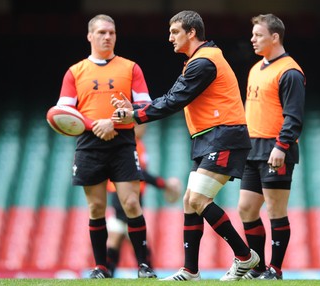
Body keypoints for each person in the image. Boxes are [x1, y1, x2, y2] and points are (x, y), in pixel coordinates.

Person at [111, 10, 259, 281]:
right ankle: (190, 270)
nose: (170, 38)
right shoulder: (199, 60)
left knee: (198, 200)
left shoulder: (203, 62)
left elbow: (174, 100)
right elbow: (172, 97)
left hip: (224, 135)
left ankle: (245, 256)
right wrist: (135, 108)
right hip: (208, 137)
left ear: (191, 32)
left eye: (175, 32)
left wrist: (134, 114)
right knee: (190, 203)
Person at [55, 14, 157, 279]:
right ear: (90, 36)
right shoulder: (75, 72)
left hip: (122, 142)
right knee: (96, 208)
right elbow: (63, 111)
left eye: (111, 32)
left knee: (132, 203)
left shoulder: (131, 68)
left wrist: (116, 121)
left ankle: (143, 266)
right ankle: (101, 267)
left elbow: (145, 107)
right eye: (101, 32)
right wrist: (95, 125)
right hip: (89, 144)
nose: (107, 37)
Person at [238, 14, 306, 280]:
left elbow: (294, 116)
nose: (252, 39)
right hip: (252, 147)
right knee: (245, 208)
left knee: (275, 210)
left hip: (275, 148)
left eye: (258, 35)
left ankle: (275, 270)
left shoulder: (289, 71)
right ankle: (257, 267)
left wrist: (281, 146)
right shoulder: (256, 69)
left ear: (274, 37)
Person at [106, 124, 182, 276]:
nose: (144, 128)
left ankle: (109, 272)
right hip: (125, 196)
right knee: (132, 236)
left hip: (132, 196)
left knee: (119, 234)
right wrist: (164, 184)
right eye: (141, 125)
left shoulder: (139, 144)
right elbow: (139, 172)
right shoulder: (129, 144)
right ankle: (146, 270)